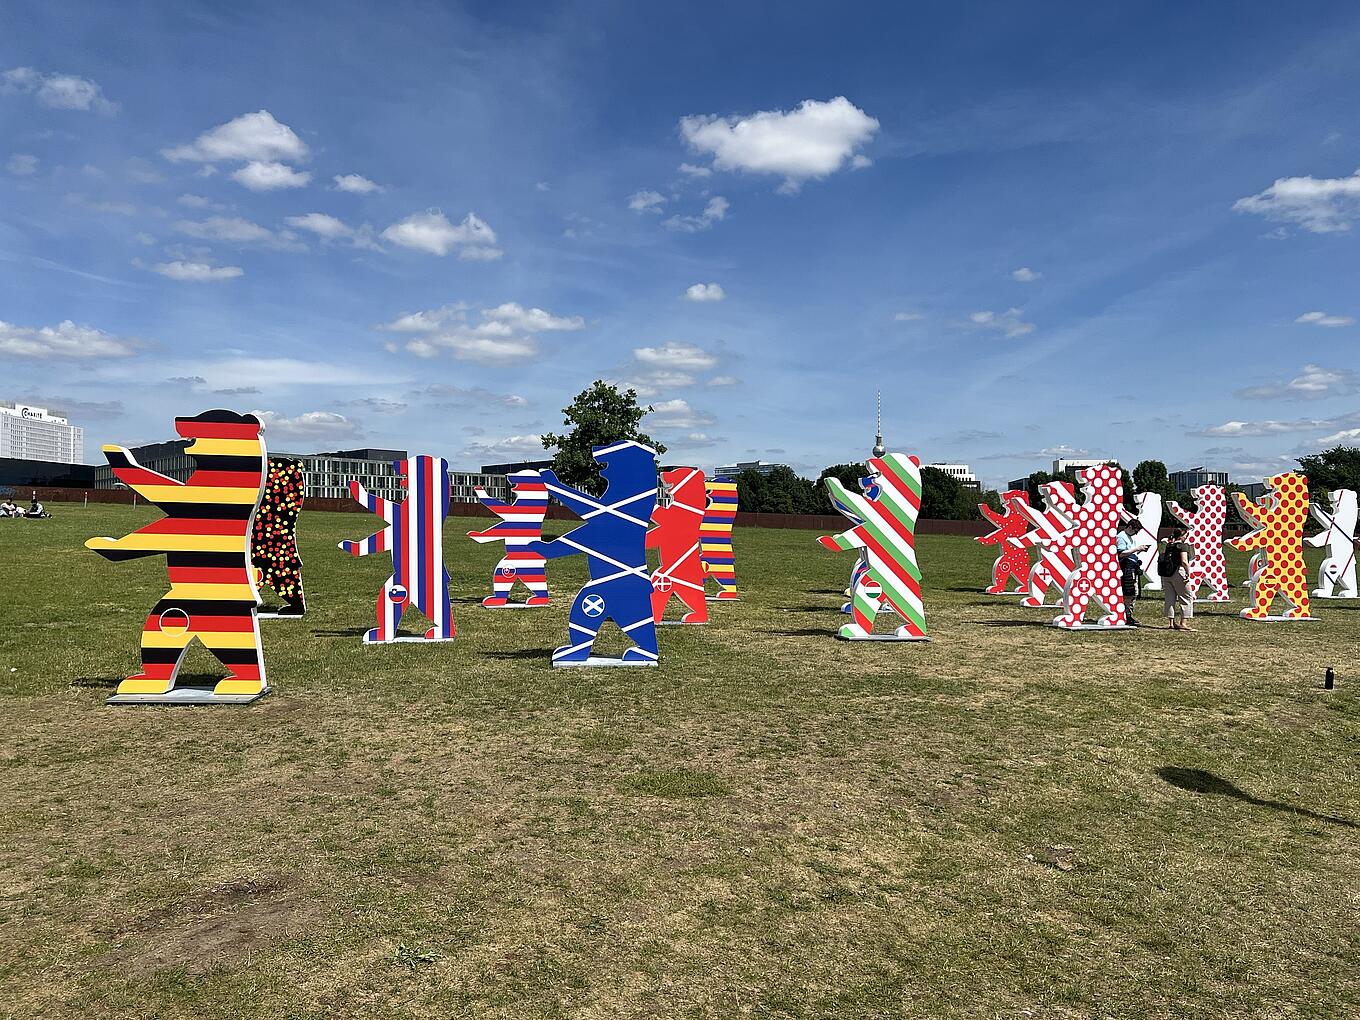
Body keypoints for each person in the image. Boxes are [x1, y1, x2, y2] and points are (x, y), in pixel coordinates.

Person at [1158, 525, 1196, 631]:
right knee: (1186, 597)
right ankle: (1183, 623)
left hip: (1167, 574)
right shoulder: (1183, 546)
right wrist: (1188, 573)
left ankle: (1171, 622)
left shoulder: (1169, 545)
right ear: (1183, 535)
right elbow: (1184, 561)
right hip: (1178, 572)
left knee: (1170, 598)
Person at [1115, 517, 1151, 626]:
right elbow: (1121, 554)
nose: (1136, 533)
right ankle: (1127, 615)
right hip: (1126, 567)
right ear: (1130, 527)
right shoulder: (1121, 537)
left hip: (1133, 566)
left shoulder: (1131, 537)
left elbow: (1130, 552)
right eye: (1135, 530)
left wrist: (1139, 550)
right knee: (1128, 592)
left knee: (1134, 592)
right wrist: (1137, 549)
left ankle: (1129, 614)